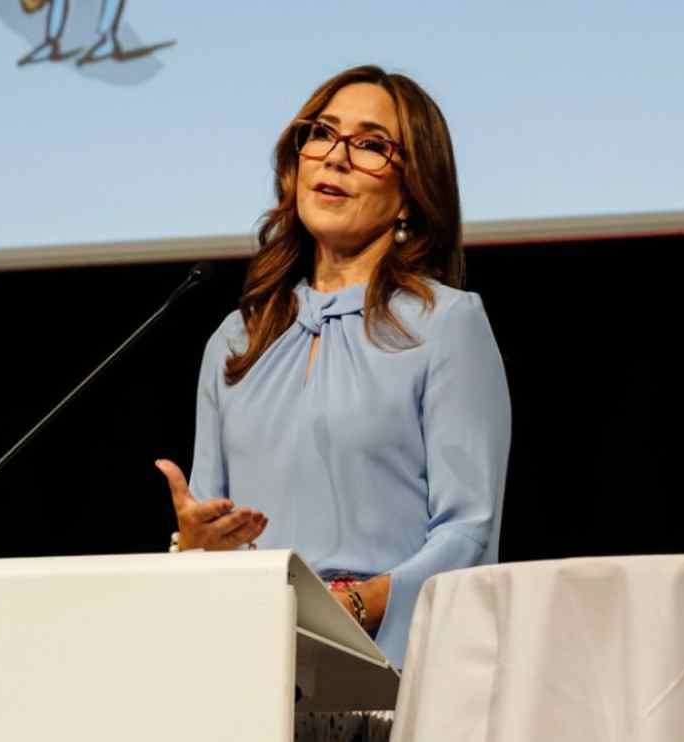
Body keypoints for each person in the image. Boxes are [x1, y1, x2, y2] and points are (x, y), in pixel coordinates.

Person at [156, 64, 511, 740]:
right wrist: (196, 548)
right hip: (253, 688)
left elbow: (470, 530)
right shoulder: (234, 341)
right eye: (322, 134)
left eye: (372, 144)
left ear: (411, 194)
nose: (337, 156)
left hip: (392, 684)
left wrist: (355, 604)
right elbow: (214, 527)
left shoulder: (447, 325)